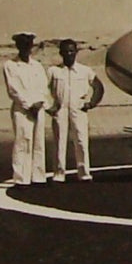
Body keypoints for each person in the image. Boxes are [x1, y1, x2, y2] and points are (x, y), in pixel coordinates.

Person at [47, 38, 104, 182]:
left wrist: (91, 103)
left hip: (78, 109)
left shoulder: (85, 71)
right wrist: (49, 106)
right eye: (65, 51)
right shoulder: (53, 71)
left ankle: (84, 173)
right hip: (60, 109)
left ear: (76, 52)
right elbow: (42, 88)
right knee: (60, 141)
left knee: (81, 140)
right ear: (61, 53)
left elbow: (98, 86)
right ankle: (59, 173)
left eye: (72, 51)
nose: (69, 54)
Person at [2, 31, 50, 184]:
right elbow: (13, 89)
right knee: (23, 141)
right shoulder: (10, 65)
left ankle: (38, 177)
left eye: (28, 44)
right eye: (23, 44)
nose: (26, 47)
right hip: (22, 110)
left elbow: (43, 87)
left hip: (38, 108)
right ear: (17, 46)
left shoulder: (37, 66)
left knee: (38, 142)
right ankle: (21, 178)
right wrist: (29, 105)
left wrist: (40, 103)